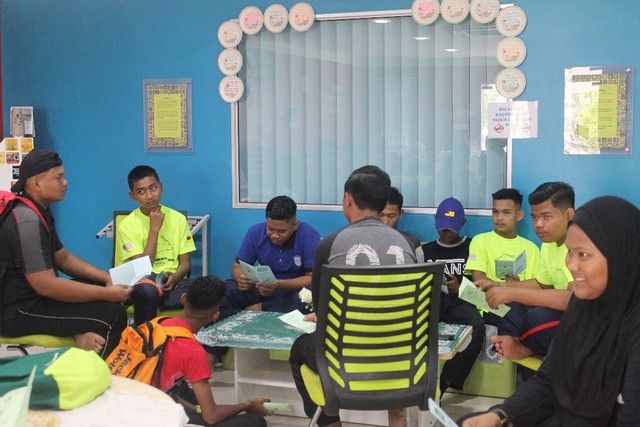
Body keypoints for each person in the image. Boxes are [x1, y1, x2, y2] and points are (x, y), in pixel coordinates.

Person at [461, 196, 640, 426]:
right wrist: (501, 415)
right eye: (570, 252)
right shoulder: (583, 309)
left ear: (620, 256)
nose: (571, 264)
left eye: (583, 254)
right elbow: (549, 380)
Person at [289, 165, 418, 427]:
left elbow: (323, 312)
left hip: (343, 360)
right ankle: (397, 415)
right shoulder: (408, 245)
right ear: (383, 202)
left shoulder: (330, 244)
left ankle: (331, 420)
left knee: (299, 349)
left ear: (348, 198)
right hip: (401, 359)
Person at [0, 149, 130, 358]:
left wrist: (107, 278)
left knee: (97, 285)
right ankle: (102, 376)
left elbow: (63, 258)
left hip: (35, 298)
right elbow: (46, 285)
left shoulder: (38, 210)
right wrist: (108, 293)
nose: (65, 182)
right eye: (59, 177)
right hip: (17, 311)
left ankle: (81, 337)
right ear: (36, 183)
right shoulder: (26, 221)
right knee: (112, 315)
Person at [156, 276, 271, 427]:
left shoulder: (158, 323)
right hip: (155, 416)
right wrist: (247, 405)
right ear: (215, 316)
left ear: (183, 299)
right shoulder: (194, 351)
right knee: (255, 422)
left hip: (134, 401)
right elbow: (211, 417)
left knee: (189, 394)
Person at [487, 182, 575, 360]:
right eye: (535, 217)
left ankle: (526, 349)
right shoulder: (548, 245)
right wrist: (499, 286)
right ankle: (521, 351)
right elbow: (542, 284)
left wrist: (513, 293)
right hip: (561, 316)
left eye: (546, 217)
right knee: (511, 308)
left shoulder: (580, 245)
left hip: (586, 320)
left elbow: (573, 300)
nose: (538, 224)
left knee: (538, 318)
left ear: (568, 215)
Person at [115, 165, 196, 325]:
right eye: (141, 191)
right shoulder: (127, 225)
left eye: (153, 188)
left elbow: (185, 263)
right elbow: (142, 268)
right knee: (148, 291)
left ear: (161, 186)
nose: (150, 196)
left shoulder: (178, 219)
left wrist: (175, 277)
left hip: (171, 281)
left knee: (208, 288)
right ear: (132, 196)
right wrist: (154, 228)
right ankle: (146, 337)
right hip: (141, 282)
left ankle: (186, 336)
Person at [218, 195, 320, 320]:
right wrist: (242, 279)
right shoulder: (255, 232)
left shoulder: (309, 236)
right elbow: (237, 267)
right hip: (260, 287)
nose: (275, 235)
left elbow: (312, 278)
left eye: (281, 231)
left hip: (292, 290)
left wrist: (279, 285)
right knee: (225, 290)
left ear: (295, 225)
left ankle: (261, 308)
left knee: (305, 299)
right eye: (270, 229)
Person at [422, 197, 485, 394]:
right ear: (435, 220)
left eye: (451, 229)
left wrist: (460, 288)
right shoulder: (423, 251)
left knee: (477, 326)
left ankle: (446, 380)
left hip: (461, 301)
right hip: (433, 301)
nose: (446, 233)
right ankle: (417, 380)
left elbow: (481, 290)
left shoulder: (473, 247)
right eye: (443, 228)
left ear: (463, 223)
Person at [465, 188, 540, 329]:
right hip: (490, 304)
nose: (499, 218)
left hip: (522, 303)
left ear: (519, 215)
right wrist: (508, 287)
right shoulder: (480, 241)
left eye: (506, 212)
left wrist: (516, 285)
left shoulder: (531, 248)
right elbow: (480, 282)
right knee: (514, 312)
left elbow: (538, 286)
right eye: (495, 212)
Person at [380, 186, 424, 261]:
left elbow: (421, 267)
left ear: (400, 214)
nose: (385, 221)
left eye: (391, 216)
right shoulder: (364, 240)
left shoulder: (412, 242)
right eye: (381, 215)